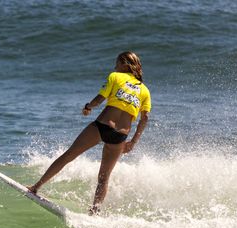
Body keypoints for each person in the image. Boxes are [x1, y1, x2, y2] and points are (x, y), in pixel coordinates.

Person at [27, 51, 151, 215]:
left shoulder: (115, 76)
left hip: (103, 126)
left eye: (117, 63)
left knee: (68, 155)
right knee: (104, 177)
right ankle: (94, 211)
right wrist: (133, 142)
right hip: (120, 137)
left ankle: (36, 187)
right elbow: (144, 119)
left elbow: (100, 98)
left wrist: (88, 107)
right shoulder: (145, 91)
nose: (114, 66)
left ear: (124, 64)